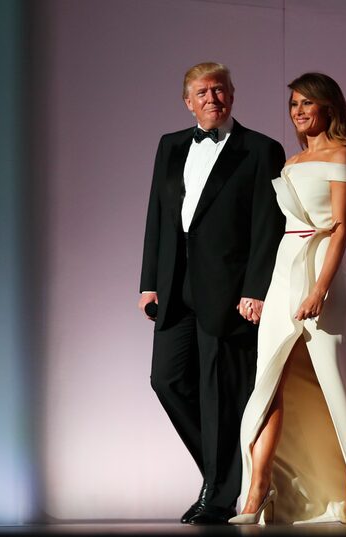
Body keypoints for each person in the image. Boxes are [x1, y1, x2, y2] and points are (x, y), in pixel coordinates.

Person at [230, 73, 346, 525]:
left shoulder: (341, 156)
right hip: (285, 269)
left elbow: (340, 227)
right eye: (294, 104)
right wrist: (262, 290)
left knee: (334, 385)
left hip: (325, 272)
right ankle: (257, 491)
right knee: (269, 381)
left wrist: (319, 289)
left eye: (308, 103)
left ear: (327, 107)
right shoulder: (292, 161)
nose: (299, 111)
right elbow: (278, 231)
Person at [139, 62, 285, 524]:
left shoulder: (261, 150)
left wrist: (256, 289)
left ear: (233, 95)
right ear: (188, 101)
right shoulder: (170, 145)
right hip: (174, 284)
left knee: (219, 393)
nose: (211, 98)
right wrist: (148, 280)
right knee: (167, 379)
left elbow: (269, 226)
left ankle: (219, 495)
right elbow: (158, 216)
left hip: (228, 291)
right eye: (202, 92)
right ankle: (232, 474)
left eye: (219, 90)